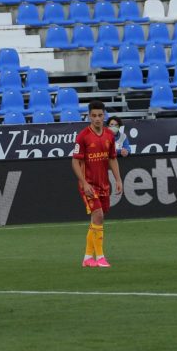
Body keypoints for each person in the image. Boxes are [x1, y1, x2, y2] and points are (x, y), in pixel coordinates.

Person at [71, 101, 123, 268]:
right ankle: (100, 257)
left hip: (103, 184)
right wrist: (84, 183)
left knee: (97, 219)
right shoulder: (83, 136)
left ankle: (87, 258)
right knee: (98, 215)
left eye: (100, 115)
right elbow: (75, 162)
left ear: (104, 115)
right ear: (89, 116)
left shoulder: (109, 135)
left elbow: (112, 158)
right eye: (94, 116)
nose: (97, 119)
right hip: (89, 185)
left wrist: (118, 179)